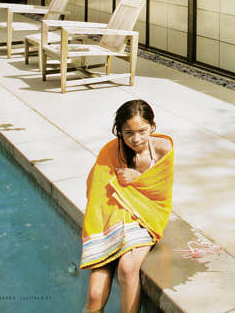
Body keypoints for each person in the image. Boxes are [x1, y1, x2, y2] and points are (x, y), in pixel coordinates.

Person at [81, 99, 174, 313]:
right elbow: (96, 190)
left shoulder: (163, 149)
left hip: (145, 215)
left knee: (127, 268)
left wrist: (138, 178)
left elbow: (161, 193)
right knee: (94, 295)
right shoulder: (111, 151)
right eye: (128, 133)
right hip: (113, 216)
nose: (136, 139)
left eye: (142, 131)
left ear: (152, 126)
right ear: (119, 131)